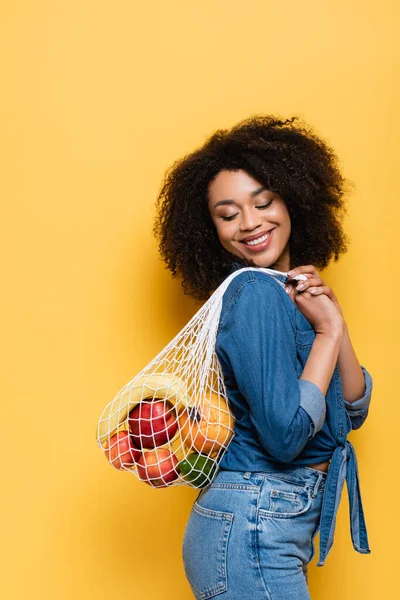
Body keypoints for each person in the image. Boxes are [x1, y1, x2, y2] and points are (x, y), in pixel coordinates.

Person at [153, 115, 373, 599]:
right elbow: (285, 435)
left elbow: (353, 411)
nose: (250, 223)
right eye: (228, 214)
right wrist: (326, 332)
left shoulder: (291, 293)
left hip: (270, 523)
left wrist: (335, 324)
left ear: (293, 198)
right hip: (254, 523)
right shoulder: (253, 293)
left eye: (263, 202)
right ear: (209, 229)